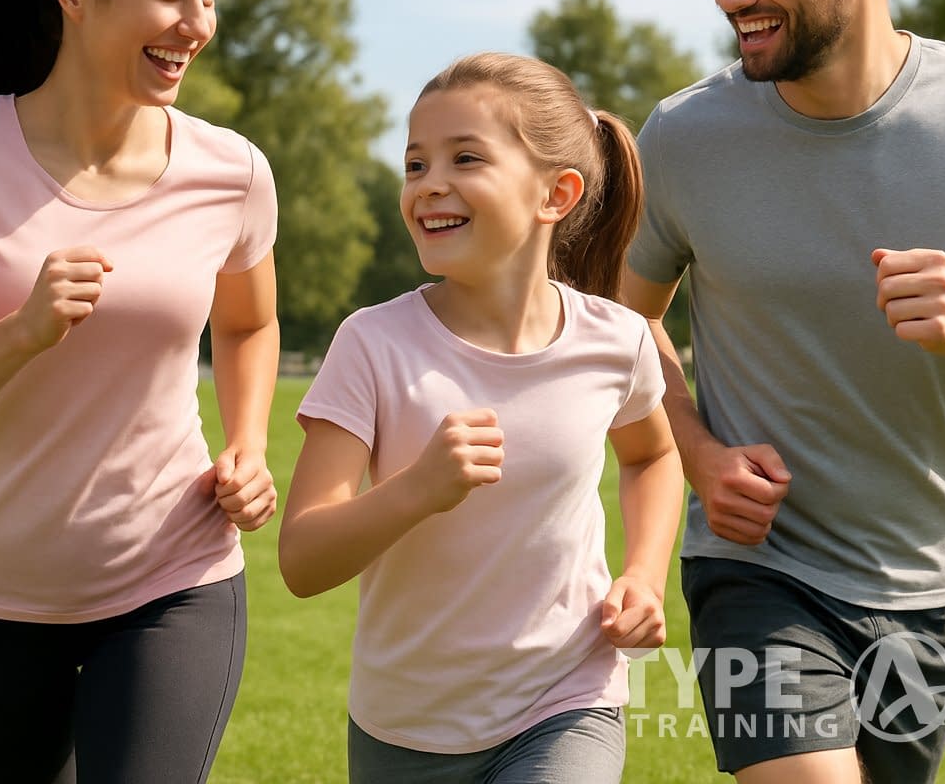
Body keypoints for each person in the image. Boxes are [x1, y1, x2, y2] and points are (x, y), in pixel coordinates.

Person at [622, 0, 945, 784]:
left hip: (931, 578)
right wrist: (700, 454)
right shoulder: (689, 136)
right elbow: (622, 323)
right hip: (758, 568)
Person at [0, 0, 280, 784]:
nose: (197, 25)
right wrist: (19, 332)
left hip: (172, 578)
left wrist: (247, 445)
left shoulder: (233, 172)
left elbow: (248, 325)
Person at [278, 52, 683, 783]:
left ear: (555, 193)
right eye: (414, 165)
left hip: (566, 700)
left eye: (465, 158)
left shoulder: (615, 341)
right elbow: (302, 561)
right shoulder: (371, 344)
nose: (430, 185)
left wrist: (645, 576)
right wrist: (417, 488)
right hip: (407, 725)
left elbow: (652, 456)